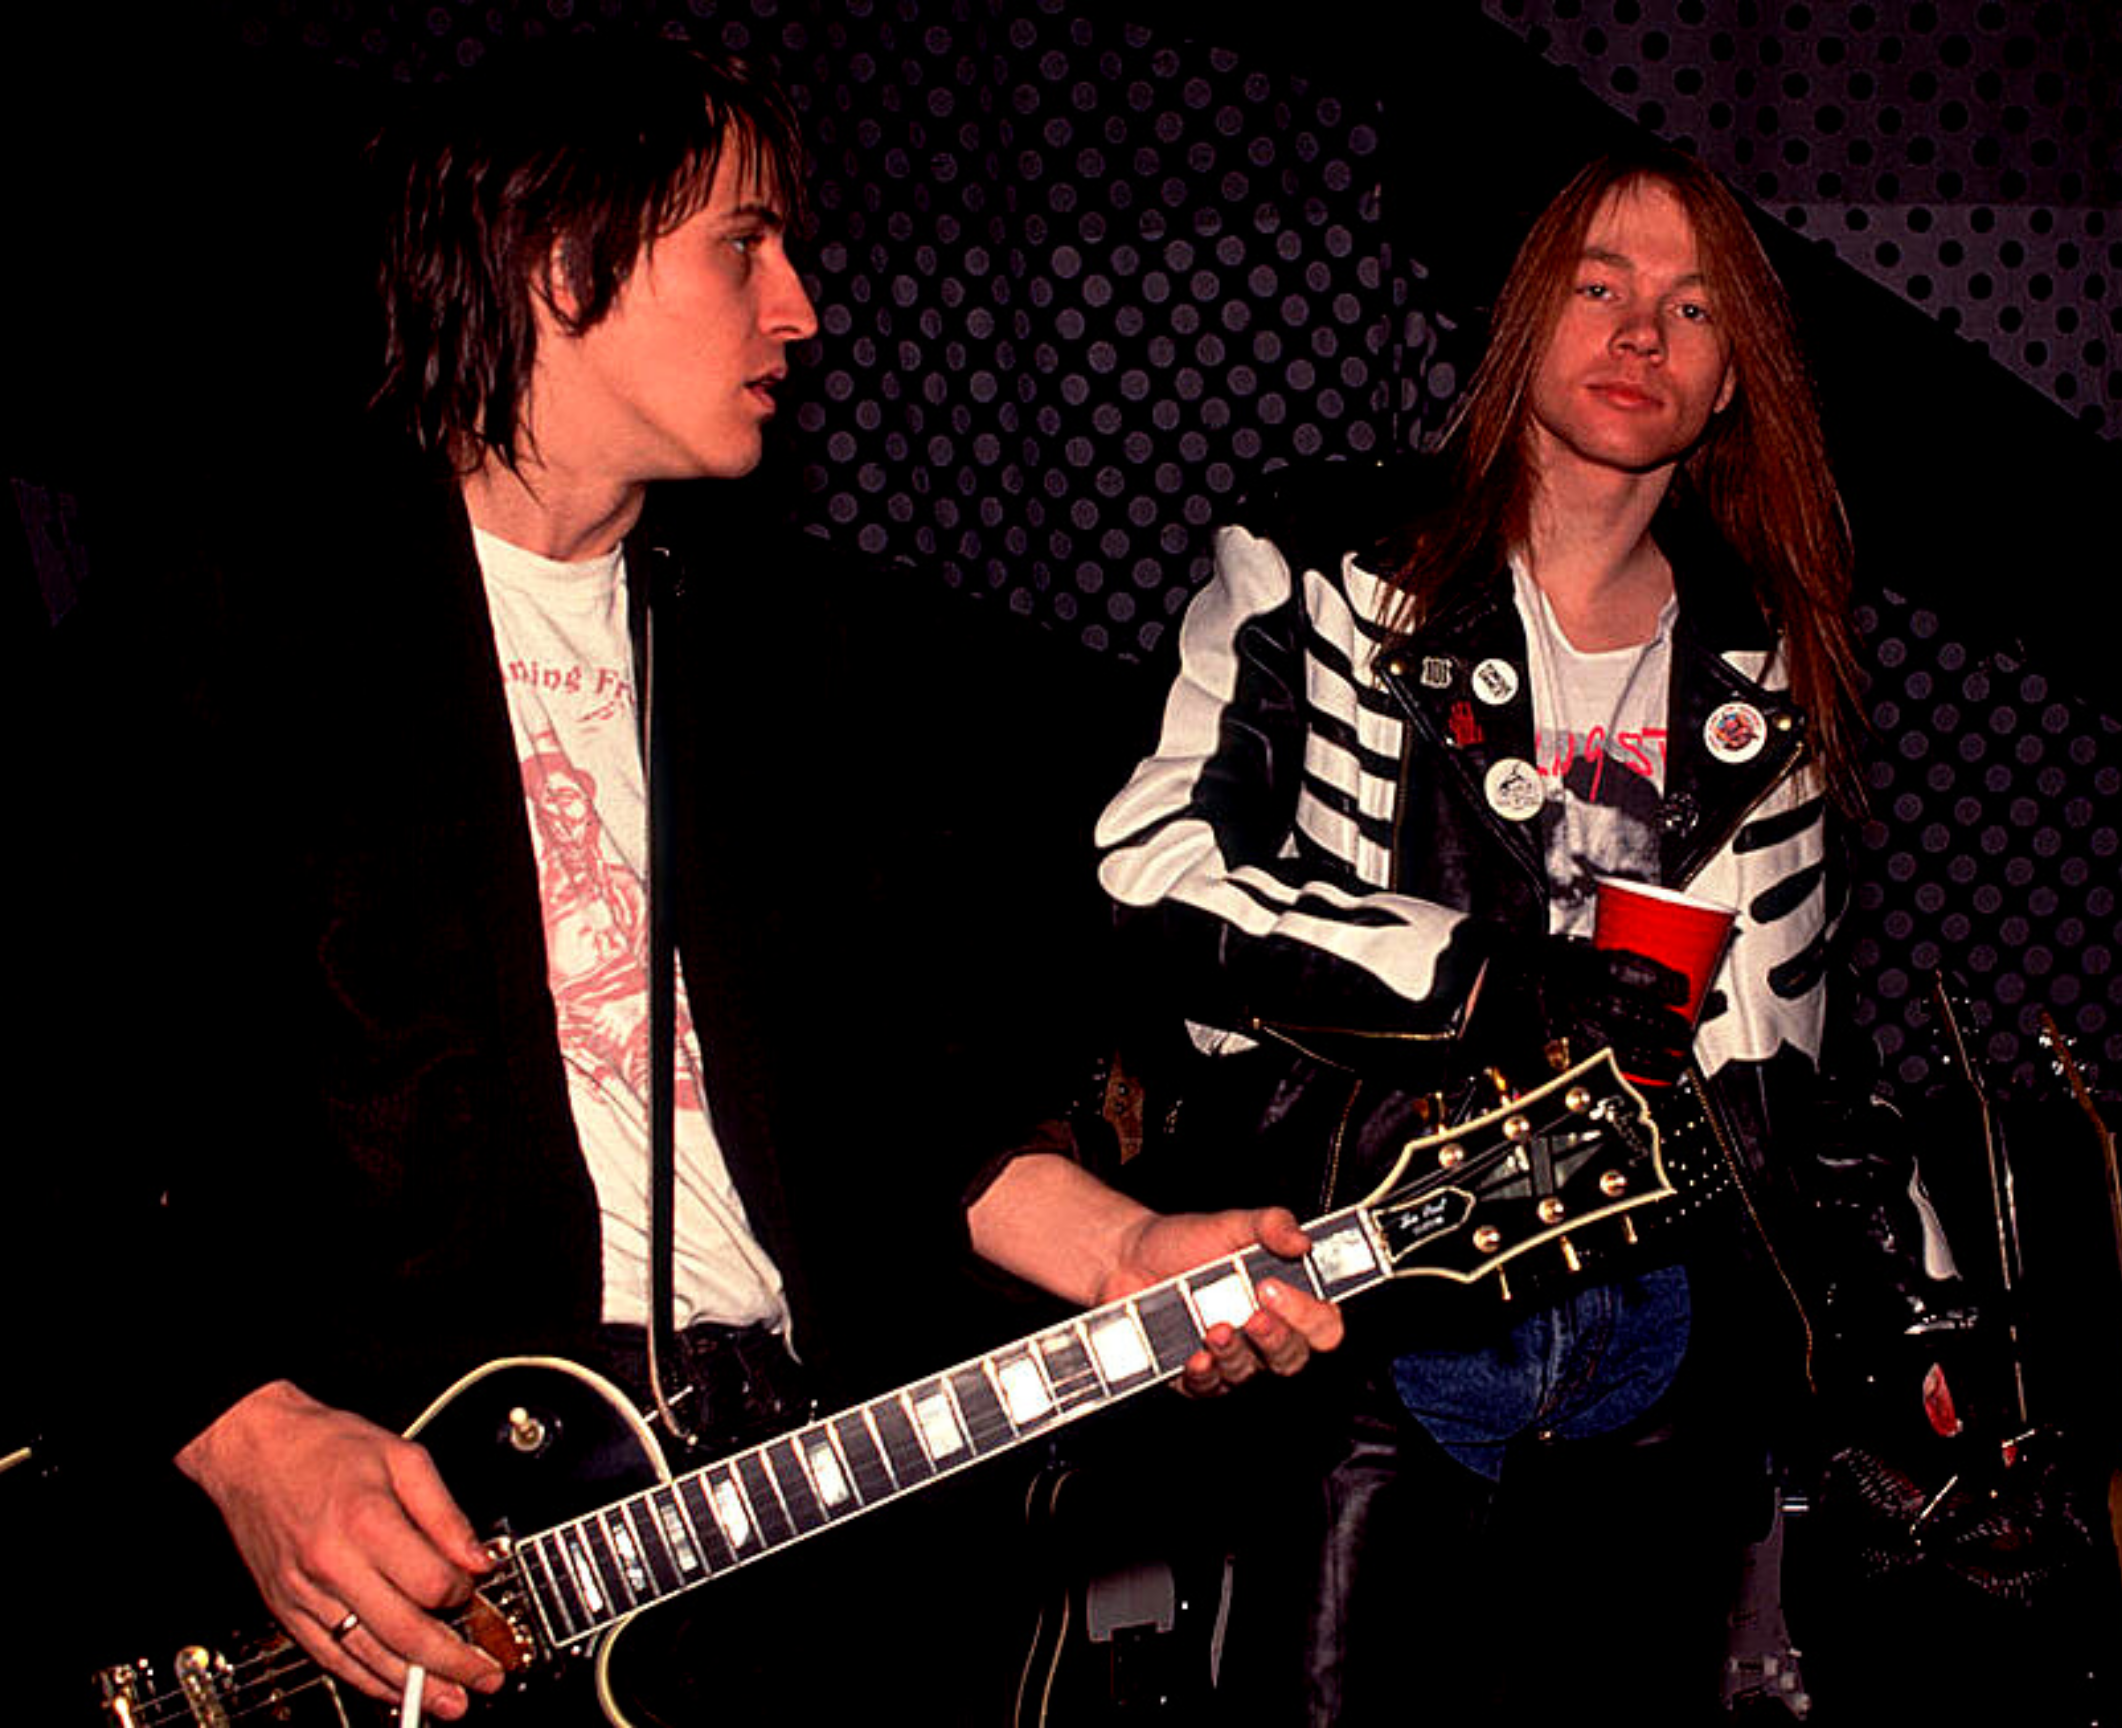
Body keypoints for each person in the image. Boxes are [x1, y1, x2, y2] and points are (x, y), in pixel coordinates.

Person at [89, 35, 1338, 1726]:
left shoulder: (792, 655)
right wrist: (243, 1433)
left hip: (796, 1531)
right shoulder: (235, 633)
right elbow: (31, 1101)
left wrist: (1134, 1253)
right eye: (744, 244)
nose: (804, 308)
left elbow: (909, 1115)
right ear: (561, 259)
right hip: (436, 1574)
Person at [1096, 147, 1924, 1722]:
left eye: (1691, 308)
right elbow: (1149, 874)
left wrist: (1890, 1342)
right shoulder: (1334, 567)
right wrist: (1492, 979)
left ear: (1735, 372)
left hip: (1657, 1326)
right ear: (1521, 320)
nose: (1640, 335)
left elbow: (1780, 1061)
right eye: (1600, 287)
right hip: (1368, 1288)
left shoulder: (1764, 658)